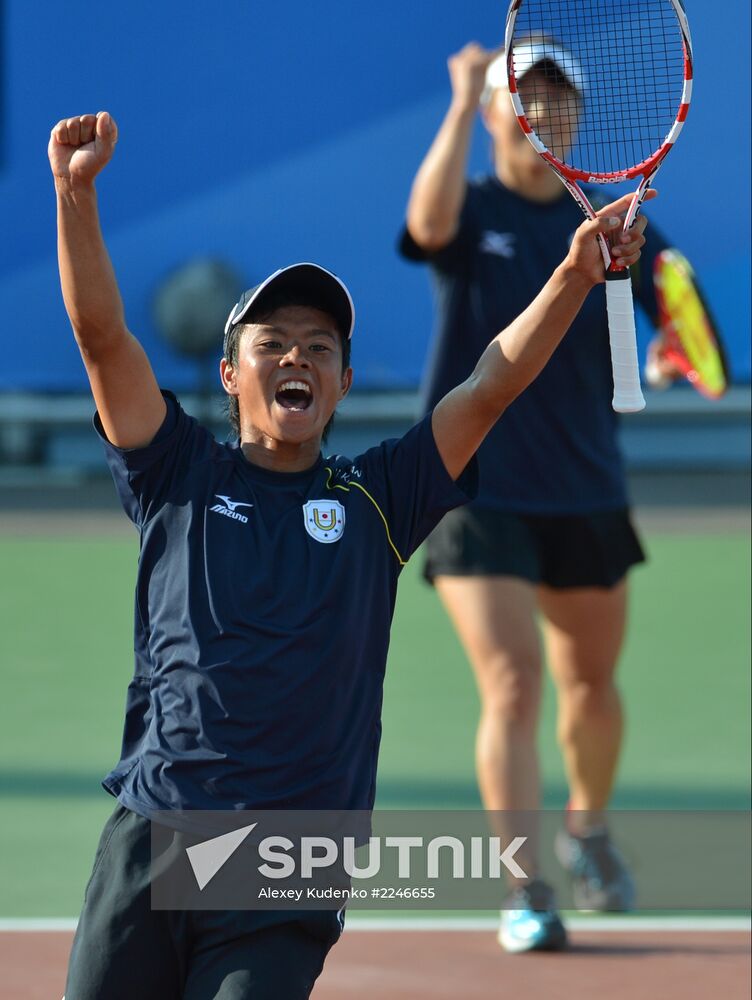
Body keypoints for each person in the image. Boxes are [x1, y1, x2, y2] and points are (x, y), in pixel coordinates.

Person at [49, 109, 647, 998]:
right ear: (231, 375)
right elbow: (103, 340)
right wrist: (75, 194)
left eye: (320, 348)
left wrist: (572, 273)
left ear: (343, 383)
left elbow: (490, 384)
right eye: (272, 344)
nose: (297, 356)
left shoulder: (380, 496)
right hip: (155, 834)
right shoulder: (175, 473)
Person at [400, 43, 675, 953]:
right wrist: (455, 102)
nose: (543, 113)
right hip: (478, 487)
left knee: (589, 686)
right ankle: (526, 888)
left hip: (586, 485)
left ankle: (587, 830)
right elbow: (425, 225)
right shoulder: (472, 211)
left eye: (558, 100)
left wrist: (674, 345)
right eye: (523, 98)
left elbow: (678, 310)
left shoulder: (611, 219)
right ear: (495, 115)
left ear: (578, 119)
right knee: (513, 684)